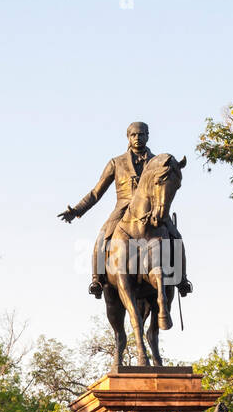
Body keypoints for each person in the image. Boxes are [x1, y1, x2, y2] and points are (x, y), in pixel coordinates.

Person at [58, 121, 191, 298]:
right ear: (128, 137)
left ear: (148, 136)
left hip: (152, 211)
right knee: (102, 236)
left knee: (176, 237)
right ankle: (97, 279)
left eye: (141, 134)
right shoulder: (116, 162)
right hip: (122, 210)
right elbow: (96, 192)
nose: (137, 138)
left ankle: (182, 279)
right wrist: (76, 211)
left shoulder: (158, 162)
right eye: (133, 135)